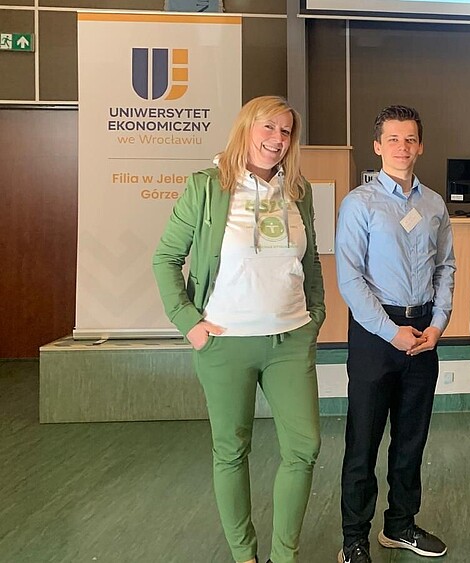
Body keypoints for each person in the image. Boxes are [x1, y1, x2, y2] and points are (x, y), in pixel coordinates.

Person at [152, 95, 325, 563]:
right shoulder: (207, 187)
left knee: (305, 447)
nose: (277, 139)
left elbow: (309, 261)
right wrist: (189, 323)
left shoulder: (298, 191)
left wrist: (315, 315)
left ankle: (284, 556)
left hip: (290, 339)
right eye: (268, 127)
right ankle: (244, 555)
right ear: (246, 128)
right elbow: (166, 258)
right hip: (225, 341)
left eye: (286, 131)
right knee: (231, 451)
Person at [335, 105, 456, 563]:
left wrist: (438, 324)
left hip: (423, 330)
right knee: (363, 441)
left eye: (409, 139)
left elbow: (446, 267)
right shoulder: (360, 203)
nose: (402, 147)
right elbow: (350, 279)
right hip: (376, 332)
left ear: (420, 145)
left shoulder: (434, 204)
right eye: (393, 139)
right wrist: (390, 332)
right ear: (377, 146)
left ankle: (400, 525)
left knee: (411, 440)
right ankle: (354, 538)